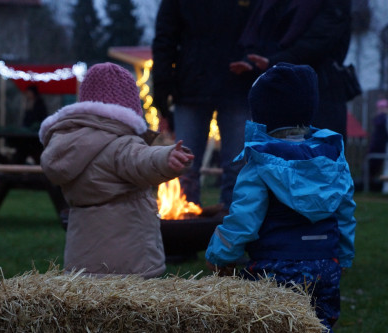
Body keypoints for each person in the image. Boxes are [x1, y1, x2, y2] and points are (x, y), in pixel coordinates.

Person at [205, 63, 357, 332]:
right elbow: (345, 212)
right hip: (325, 265)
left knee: (268, 325)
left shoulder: (261, 161)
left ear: (262, 114)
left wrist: (220, 255)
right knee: (319, 324)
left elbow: (243, 220)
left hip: (273, 267)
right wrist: (343, 256)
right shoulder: (332, 157)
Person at [38, 62, 195, 278]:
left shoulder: (67, 143)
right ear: (128, 110)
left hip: (83, 261)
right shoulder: (119, 144)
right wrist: (166, 157)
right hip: (128, 266)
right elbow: (141, 159)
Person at [152, 0, 255, 211]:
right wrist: (163, 86)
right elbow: (165, 36)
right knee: (187, 167)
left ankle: (231, 227)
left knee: (232, 168)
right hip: (199, 86)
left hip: (227, 84)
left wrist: (163, 87)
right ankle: (190, 225)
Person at [229, 0, 352, 140]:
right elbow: (259, 33)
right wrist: (249, 60)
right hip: (275, 93)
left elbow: (318, 42)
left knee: (315, 154)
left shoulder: (333, 5)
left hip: (319, 92)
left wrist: (272, 61)